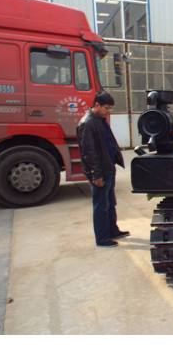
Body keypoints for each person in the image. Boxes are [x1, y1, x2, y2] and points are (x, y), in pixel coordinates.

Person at [76, 91, 130, 248]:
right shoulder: (87, 123)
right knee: (101, 206)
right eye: (107, 108)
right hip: (100, 172)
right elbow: (88, 152)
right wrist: (95, 174)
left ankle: (113, 231)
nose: (108, 112)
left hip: (108, 168)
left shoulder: (100, 120)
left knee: (110, 203)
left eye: (111, 109)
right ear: (97, 105)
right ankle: (102, 238)